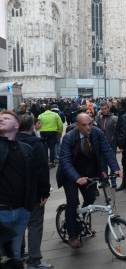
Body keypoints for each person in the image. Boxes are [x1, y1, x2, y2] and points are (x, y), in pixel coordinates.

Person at [56, 113, 121, 249]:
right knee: (73, 202)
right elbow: (65, 161)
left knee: (91, 198)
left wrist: (115, 168)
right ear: (77, 125)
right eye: (84, 125)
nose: (88, 128)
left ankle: (82, 221)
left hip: (89, 173)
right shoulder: (69, 138)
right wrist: (76, 178)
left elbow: (107, 150)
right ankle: (73, 234)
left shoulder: (97, 133)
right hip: (70, 174)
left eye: (90, 124)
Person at [0, 111, 35, 268]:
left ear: (17, 125)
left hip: (22, 210)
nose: (1, 120)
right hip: (2, 211)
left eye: (6, 118)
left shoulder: (26, 149)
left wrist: (29, 205)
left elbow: (32, 177)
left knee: (15, 255)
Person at [17, 114, 52, 269]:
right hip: (33, 193)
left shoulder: (11, 141)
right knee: (35, 224)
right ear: (32, 126)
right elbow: (42, 170)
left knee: (18, 225)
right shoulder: (36, 144)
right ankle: (34, 260)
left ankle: (19, 255)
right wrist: (45, 193)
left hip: (14, 194)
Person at [95, 101, 119, 188]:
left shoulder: (114, 118)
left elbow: (117, 132)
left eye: (105, 108)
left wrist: (118, 144)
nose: (103, 110)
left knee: (112, 162)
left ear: (108, 108)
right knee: (102, 164)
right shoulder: (98, 118)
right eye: (102, 109)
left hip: (111, 144)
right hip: (100, 145)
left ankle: (113, 181)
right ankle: (104, 181)